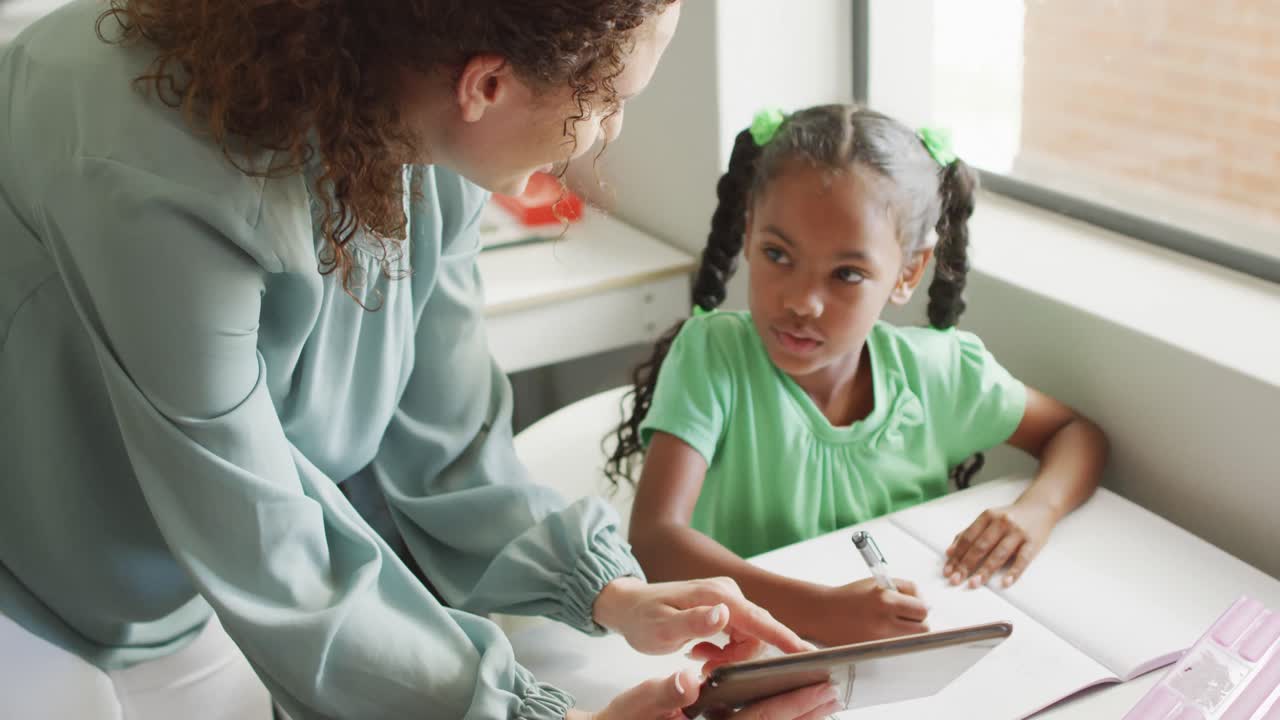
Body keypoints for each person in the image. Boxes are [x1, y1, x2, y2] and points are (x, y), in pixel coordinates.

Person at [0, 2, 837, 718]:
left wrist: (612, 592)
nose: (613, 131)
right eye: (611, 99)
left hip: (183, 581)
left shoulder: (424, 125)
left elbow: (446, 432)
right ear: (488, 85)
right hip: (33, 587)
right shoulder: (150, 178)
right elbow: (265, 544)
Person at [609, 104, 1110, 648]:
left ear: (908, 272)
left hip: (896, 656)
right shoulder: (714, 356)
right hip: (741, 653)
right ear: (749, 231)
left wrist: (1036, 511)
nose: (801, 301)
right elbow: (657, 542)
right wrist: (822, 613)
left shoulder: (938, 372)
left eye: (847, 274)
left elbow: (1075, 434)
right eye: (778, 254)